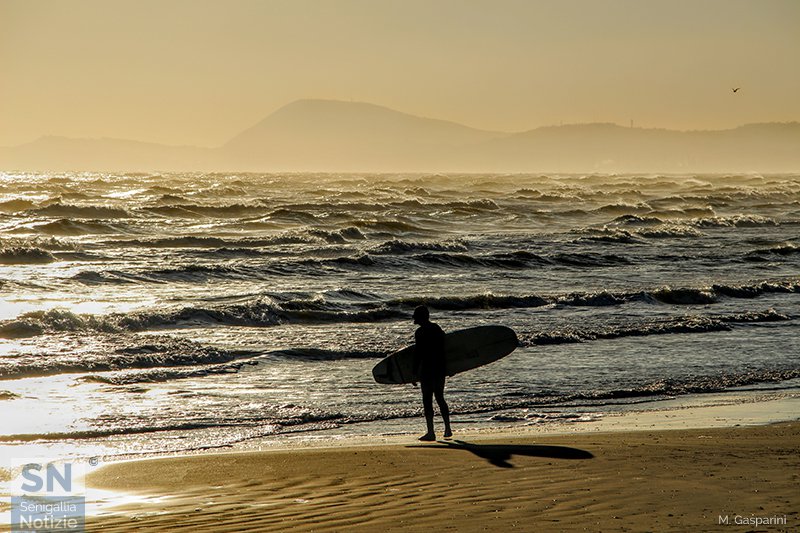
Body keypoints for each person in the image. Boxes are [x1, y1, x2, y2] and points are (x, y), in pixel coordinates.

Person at [412, 305, 452, 441]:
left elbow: (418, 355)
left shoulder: (420, 333)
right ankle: (448, 428)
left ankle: (431, 432)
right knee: (440, 398)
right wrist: (451, 367)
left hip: (428, 370)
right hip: (440, 368)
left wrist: (413, 372)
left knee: (427, 400)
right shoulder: (436, 328)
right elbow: (446, 348)